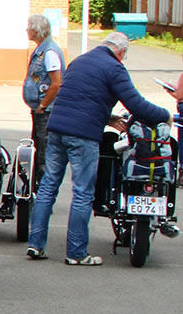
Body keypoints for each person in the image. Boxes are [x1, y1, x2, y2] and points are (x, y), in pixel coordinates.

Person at [26, 32, 172, 266]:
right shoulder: (114, 69)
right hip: (83, 136)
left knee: (48, 185)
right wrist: (164, 116)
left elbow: (80, 98)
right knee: (82, 192)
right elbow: (136, 104)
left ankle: (36, 245)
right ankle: (76, 253)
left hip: (56, 128)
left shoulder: (79, 61)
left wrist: (107, 117)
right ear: (122, 52)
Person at [23, 13, 65, 190]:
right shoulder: (42, 50)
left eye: (29, 26)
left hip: (45, 112)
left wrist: (42, 105)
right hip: (40, 110)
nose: (26, 30)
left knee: (43, 152)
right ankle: (39, 189)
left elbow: (56, 83)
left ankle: (43, 191)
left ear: (36, 30)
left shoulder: (49, 52)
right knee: (38, 148)